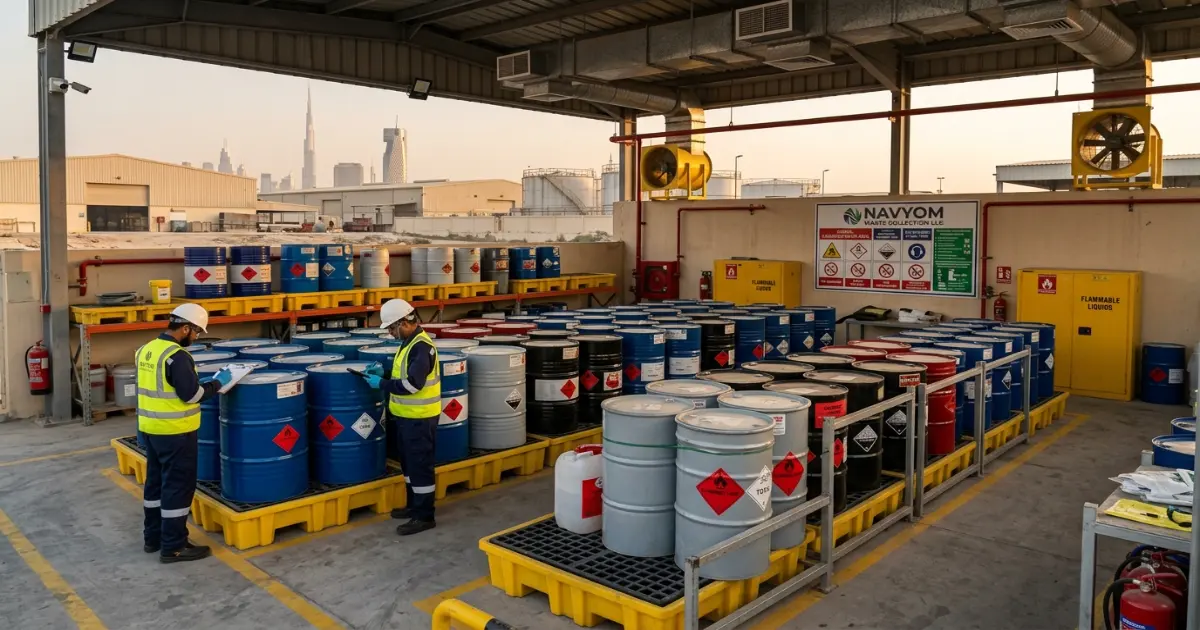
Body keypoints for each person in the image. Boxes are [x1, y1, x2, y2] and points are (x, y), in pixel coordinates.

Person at [136, 303, 237, 563]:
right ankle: (174, 546)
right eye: (196, 332)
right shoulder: (177, 356)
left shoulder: (146, 350)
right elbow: (192, 395)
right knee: (177, 489)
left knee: (155, 485)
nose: (196, 337)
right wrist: (219, 383)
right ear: (185, 328)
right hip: (176, 433)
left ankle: (153, 538)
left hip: (150, 430)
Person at [360, 299, 439, 536]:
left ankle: (424, 516)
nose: (391, 333)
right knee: (408, 465)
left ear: (406, 322)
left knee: (420, 467)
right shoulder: (408, 343)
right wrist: (383, 373)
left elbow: (413, 384)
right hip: (406, 417)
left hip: (420, 418)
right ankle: (413, 506)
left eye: (393, 328)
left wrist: (382, 384)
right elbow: (402, 374)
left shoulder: (421, 347)